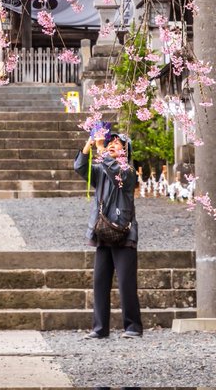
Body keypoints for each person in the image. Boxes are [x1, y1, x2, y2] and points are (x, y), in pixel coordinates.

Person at [74, 127, 143, 339]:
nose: (112, 145)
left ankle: (133, 327)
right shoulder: (102, 170)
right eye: (109, 142)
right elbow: (80, 168)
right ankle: (99, 328)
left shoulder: (128, 173)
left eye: (117, 143)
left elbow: (117, 174)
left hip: (123, 234)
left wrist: (102, 150)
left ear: (126, 150)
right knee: (100, 282)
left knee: (126, 283)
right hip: (103, 232)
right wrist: (89, 145)